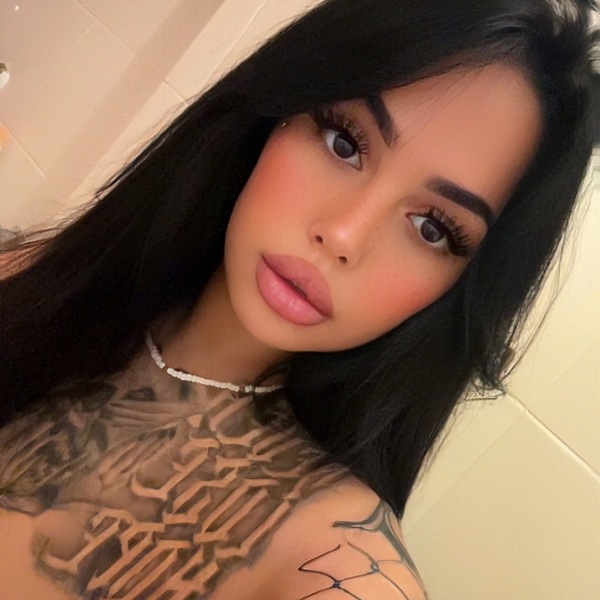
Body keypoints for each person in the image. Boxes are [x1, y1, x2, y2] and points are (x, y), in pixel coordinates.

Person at [0, 0, 597, 598]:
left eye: (432, 228)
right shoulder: (28, 275)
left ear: (462, 286)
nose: (343, 235)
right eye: (344, 142)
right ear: (275, 112)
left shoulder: (332, 562)